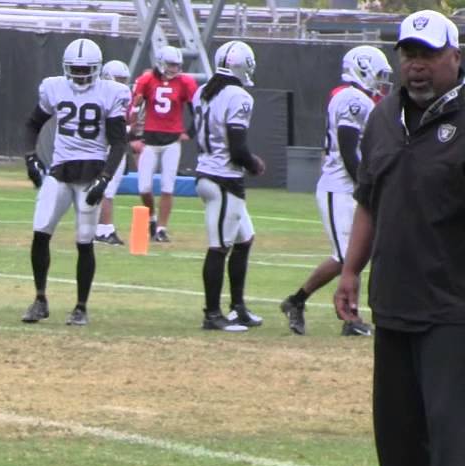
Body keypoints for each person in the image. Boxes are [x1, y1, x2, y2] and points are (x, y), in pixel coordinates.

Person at [336, 10, 465, 466]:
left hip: (454, 305)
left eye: (427, 53)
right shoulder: (384, 117)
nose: (416, 63)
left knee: (450, 435)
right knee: (398, 432)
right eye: (407, 52)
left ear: (454, 58)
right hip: (395, 300)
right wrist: (350, 269)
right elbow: (369, 199)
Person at [281, 46, 391, 337]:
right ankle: (350, 319)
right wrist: (364, 185)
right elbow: (346, 146)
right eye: (378, 74)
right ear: (362, 68)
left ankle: (297, 301)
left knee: (353, 255)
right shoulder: (352, 98)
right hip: (339, 187)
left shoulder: (357, 99)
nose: (381, 81)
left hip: (345, 187)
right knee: (347, 257)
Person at [20, 38, 130, 326]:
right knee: (40, 230)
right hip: (60, 170)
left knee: (84, 241)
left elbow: (119, 143)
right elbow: (33, 124)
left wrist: (105, 179)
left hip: (91, 172)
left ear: (97, 69)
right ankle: (40, 299)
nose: (80, 75)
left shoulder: (111, 92)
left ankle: (81, 306)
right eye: (76, 69)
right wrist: (30, 157)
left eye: (86, 69)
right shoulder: (54, 87)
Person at [193, 41, 264, 332]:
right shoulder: (238, 95)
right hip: (224, 179)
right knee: (219, 247)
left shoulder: (203, 91)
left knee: (244, 240)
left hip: (207, 174)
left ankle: (238, 307)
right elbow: (237, 148)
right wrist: (254, 164)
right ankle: (212, 314)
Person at [131, 46, 198, 243]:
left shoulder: (186, 82)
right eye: (170, 64)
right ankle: (151, 220)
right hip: (150, 141)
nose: (174, 68)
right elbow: (134, 108)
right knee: (144, 187)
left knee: (168, 187)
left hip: (172, 141)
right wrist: (133, 133)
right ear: (160, 63)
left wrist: (190, 132)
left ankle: (161, 228)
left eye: (177, 64)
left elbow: (197, 108)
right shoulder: (147, 80)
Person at [94, 60, 133, 246]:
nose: (123, 83)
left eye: (124, 80)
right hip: (108, 147)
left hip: (113, 146)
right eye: (119, 79)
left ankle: (101, 228)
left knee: (107, 191)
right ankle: (104, 230)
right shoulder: (105, 96)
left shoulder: (118, 95)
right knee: (107, 191)